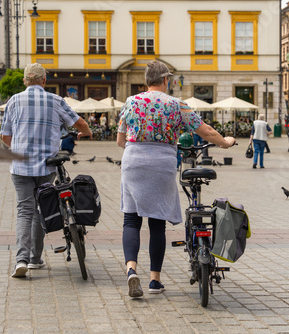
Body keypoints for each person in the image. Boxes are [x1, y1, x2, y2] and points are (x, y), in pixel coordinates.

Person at [117, 60, 235, 298]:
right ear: (165, 80)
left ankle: (131, 270)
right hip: (162, 162)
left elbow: (120, 140)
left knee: (131, 219)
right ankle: (154, 281)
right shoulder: (176, 105)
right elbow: (206, 132)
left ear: (146, 81)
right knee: (156, 223)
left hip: (133, 161)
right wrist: (225, 142)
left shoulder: (131, 102)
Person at [1, 63, 92, 278]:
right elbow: (80, 124)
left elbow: (5, 136)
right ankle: (35, 260)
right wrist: (85, 133)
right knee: (41, 208)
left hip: (20, 166)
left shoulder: (14, 101)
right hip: (46, 165)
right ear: (44, 81)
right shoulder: (55, 100)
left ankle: (21, 260)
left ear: (25, 80)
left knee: (25, 211)